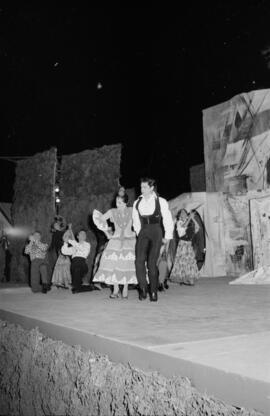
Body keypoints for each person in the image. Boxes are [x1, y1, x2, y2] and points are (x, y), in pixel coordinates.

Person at [132, 177, 174, 302]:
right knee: (139, 261)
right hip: (143, 232)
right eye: (141, 187)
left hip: (156, 231)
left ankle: (154, 291)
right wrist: (140, 233)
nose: (142, 189)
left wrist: (167, 237)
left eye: (145, 187)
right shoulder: (137, 202)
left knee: (151, 263)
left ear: (151, 188)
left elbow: (167, 219)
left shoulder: (161, 201)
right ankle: (143, 289)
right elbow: (135, 221)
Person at [92, 193, 137, 299]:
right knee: (113, 264)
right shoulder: (112, 212)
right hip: (115, 241)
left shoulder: (132, 210)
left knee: (127, 265)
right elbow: (99, 219)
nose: (118, 204)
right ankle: (116, 289)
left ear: (126, 202)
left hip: (129, 240)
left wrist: (137, 232)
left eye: (120, 202)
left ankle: (125, 288)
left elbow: (140, 221)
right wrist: (107, 233)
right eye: (117, 202)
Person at [169, 208, 199, 285]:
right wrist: (189, 218)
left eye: (185, 212)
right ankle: (183, 278)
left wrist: (192, 219)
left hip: (189, 244)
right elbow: (183, 226)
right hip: (183, 244)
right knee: (183, 262)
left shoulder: (189, 221)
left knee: (190, 262)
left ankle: (189, 278)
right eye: (181, 212)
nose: (183, 213)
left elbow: (197, 228)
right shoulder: (179, 222)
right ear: (179, 215)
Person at [61, 229, 91, 293]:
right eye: (81, 234)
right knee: (77, 285)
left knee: (77, 267)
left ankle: (77, 287)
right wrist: (65, 242)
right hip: (74, 265)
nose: (83, 235)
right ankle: (87, 287)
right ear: (77, 236)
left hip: (82, 265)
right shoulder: (75, 246)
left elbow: (81, 248)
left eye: (84, 234)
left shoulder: (87, 244)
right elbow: (64, 251)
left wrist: (69, 240)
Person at [51, 224, 73, 289]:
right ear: (54, 228)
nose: (57, 225)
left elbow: (67, 236)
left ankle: (60, 282)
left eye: (57, 224)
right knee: (65, 265)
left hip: (64, 250)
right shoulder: (56, 233)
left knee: (62, 265)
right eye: (55, 225)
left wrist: (69, 228)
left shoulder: (60, 232)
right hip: (61, 251)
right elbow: (53, 244)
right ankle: (63, 283)